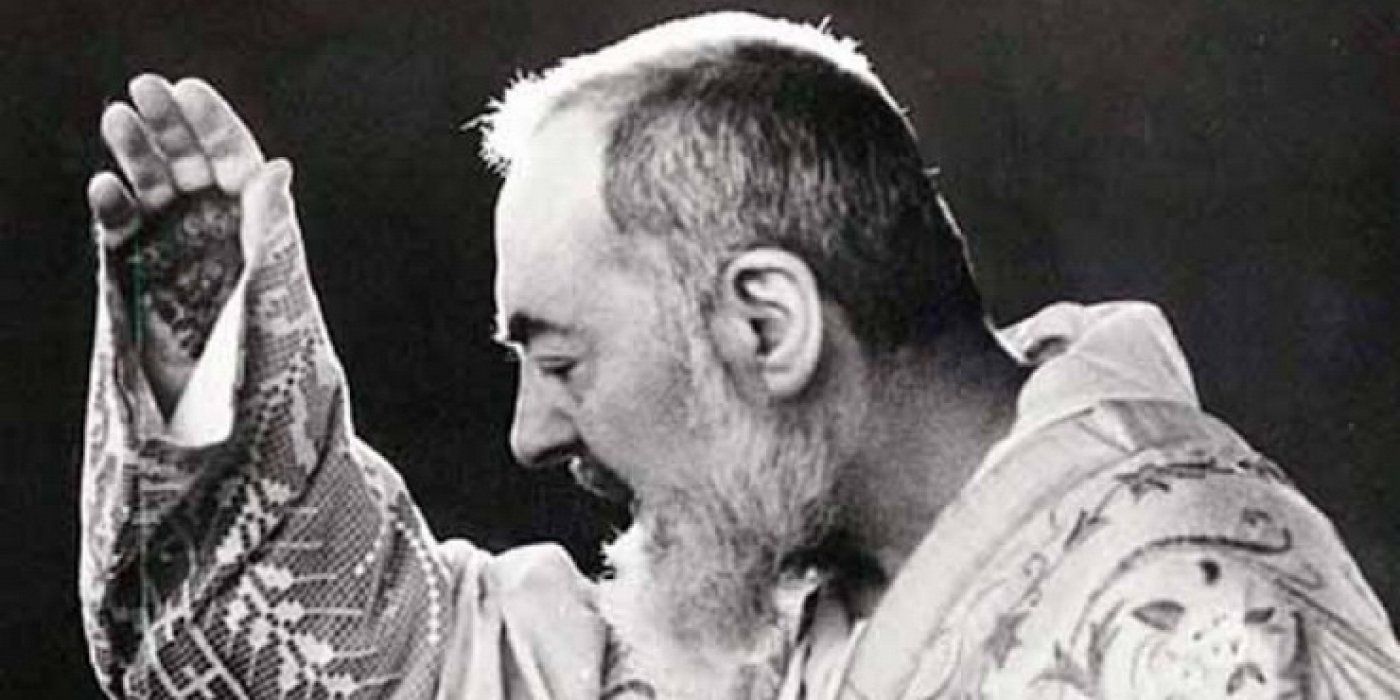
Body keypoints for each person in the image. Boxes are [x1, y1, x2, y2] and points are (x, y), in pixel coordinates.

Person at [80, 11, 1400, 699]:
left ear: (767, 325)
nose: (530, 435)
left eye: (563, 359)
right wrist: (207, 340)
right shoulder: (798, 584)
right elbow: (421, 669)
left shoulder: (1206, 631)